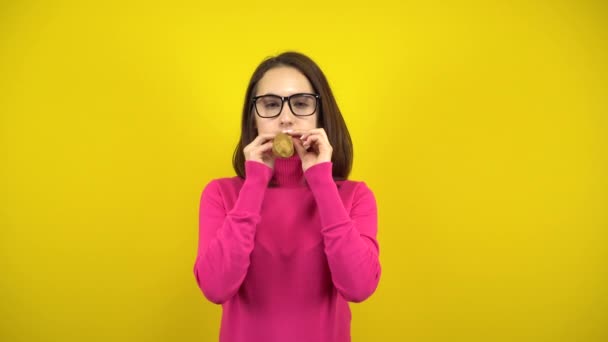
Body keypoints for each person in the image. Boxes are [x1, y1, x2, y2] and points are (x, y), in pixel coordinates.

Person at [193, 51, 381, 342]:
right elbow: (215, 288)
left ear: (320, 113)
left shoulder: (355, 196)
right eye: (270, 104)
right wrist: (256, 182)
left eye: (301, 103)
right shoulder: (221, 194)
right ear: (253, 118)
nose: (286, 118)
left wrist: (321, 181)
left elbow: (359, 288)